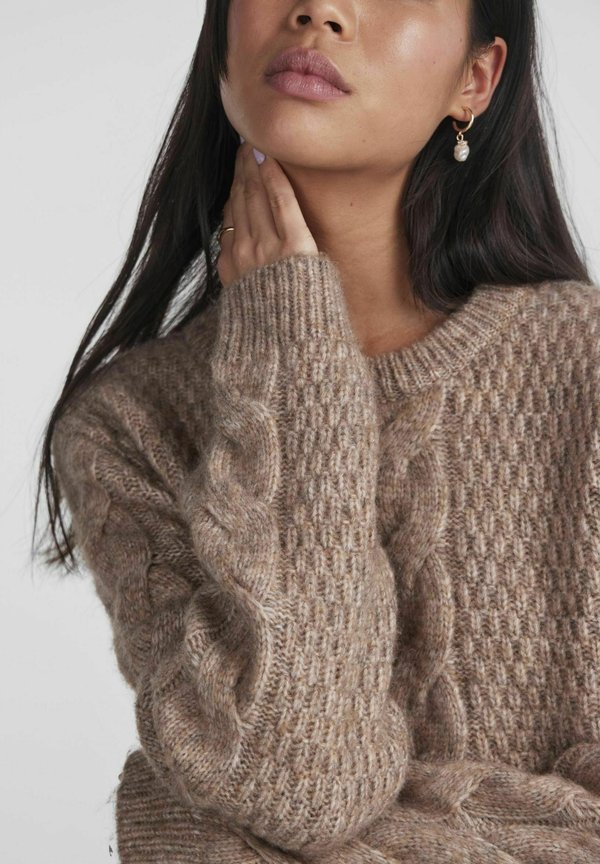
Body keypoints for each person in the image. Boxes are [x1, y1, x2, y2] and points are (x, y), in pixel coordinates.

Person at [33, 1, 600, 862]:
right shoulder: (128, 427)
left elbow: (248, 815)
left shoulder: (585, 370)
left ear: (475, 80)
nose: (320, 9)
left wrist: (191, 828)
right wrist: (292, 350)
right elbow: (302, 784)